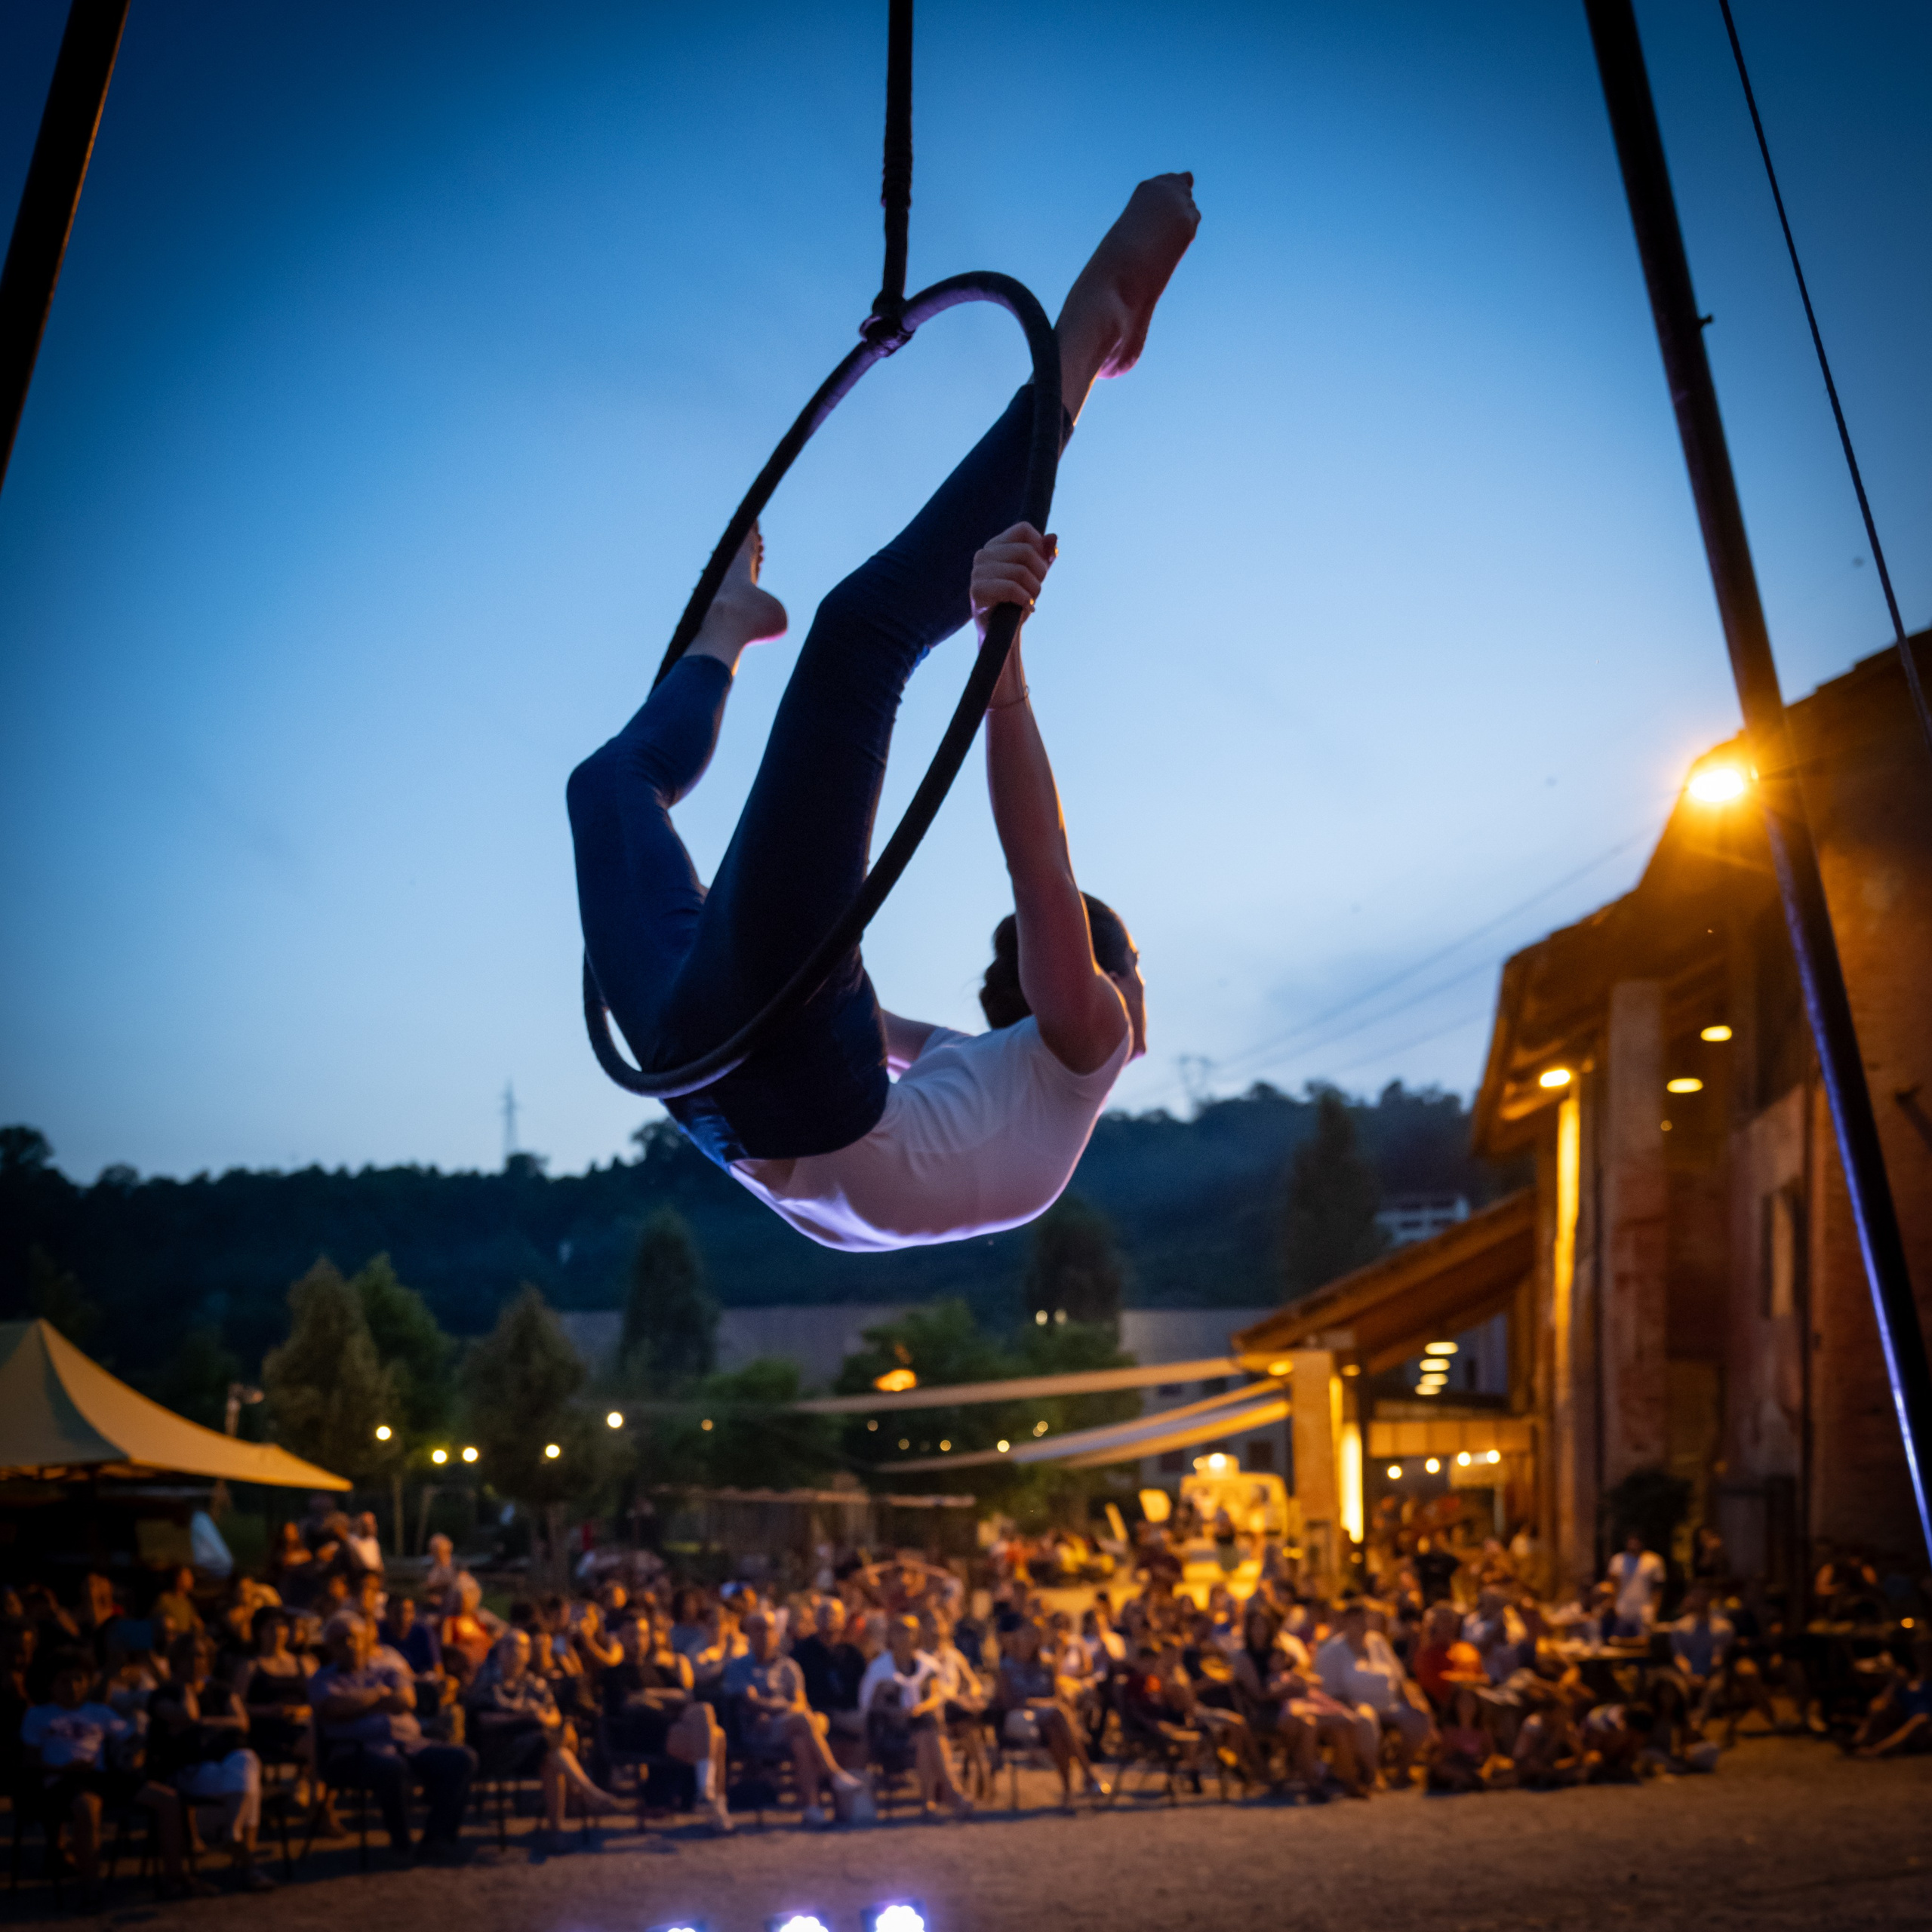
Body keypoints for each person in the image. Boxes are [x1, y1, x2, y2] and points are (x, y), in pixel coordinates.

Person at [565, 175, 1199, 1245]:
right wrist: (774, 872)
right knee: (608, 788)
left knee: (861, 637)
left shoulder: (1089, 1033)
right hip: (731, 1081)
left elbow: (1038, 861)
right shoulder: (993, 1067)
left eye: (1125, 972)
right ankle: (729, 628)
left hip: (737, 1077)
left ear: (1112, 979)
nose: (1137, 1001)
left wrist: (1003, 655)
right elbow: (883, 1006)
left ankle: (1091, 329)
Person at [20, 1649, 196, 1903]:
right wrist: (63, 1769)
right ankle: (91, 1888)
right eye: (64, 1681)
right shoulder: (39, 1715)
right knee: (87, 1806)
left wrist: (136, 1755)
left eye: (79, 1679)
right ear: (51, 1684)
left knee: (168, 1799)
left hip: (99, 1775)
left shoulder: (99, 1712)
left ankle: (176, 1877)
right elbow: (30, 1761)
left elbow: (132, 1739)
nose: (73, 1686)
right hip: (61, 1779)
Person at [309, 1611, 475, 1861]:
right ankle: (401, 1843)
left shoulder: (387, 1670)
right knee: (391, 1768)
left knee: (463, 1759)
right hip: (354, 1753)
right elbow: (333, 1708)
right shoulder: (323, 1678)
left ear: (367, 1640)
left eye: (354, 1638)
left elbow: (405, 1701)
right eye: (341, 1641)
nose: (350, 1645)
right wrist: (378, 1694)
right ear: (330, 1647)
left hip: (409, 1745)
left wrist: (357, 1704)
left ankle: (437, 1839)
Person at [468, 1629, 626, 1852]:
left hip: (535, 1749)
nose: (516, 1651)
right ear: (499, 1651)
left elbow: (554, 1716)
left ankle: (557, 1831)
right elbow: (482, 1719)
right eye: (510, 1645)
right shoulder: (487, 1681)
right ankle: (588, 1794)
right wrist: (524, 1716)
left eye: (522, 1646)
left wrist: (543, 1718)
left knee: (552, 1756)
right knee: (552, 1750)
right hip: (501, 1751)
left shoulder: (535, 1684)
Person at [148, 1632, 273, 1890]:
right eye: (188, 1656)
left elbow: (242, 1722)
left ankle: (233, 1833)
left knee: (247, 1759)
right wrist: (187, 1690)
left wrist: (203, 1724)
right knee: (250, 1788)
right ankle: (247, 1865)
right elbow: (188, 1716)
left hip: (226, 1763)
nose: (195, 1662)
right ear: (175, 1660)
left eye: (201, 1655)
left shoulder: (220, 1690)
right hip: (188, 1769)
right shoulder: (163, 1695)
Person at [721, 1611, 866, 1826]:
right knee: (805, 1721)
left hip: (787, 1726)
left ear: (776, 1634)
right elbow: (750, 1703)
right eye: (758, 1629)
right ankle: (834, 1773)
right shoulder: (738, 1667)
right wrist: (781, 1708)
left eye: (768, 1629)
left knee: (801, 1740)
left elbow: (800, 1703)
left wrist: (772, 1708)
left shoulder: (789, 1667)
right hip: (757, 1731)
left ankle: (812, 1808)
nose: (763, 1635)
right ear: (748, 1634)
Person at [602, 1610, 731, 1833]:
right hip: (642, 1735)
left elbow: (688, 1695)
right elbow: (629, 1704)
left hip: (673, 1728)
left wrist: (650, 1695)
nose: (639, 1640)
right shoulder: (614, 1674)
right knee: (717, 1738)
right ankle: (715, 1806)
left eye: (642, 1634)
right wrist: (663, 1699)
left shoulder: (659, 1669)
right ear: (620, 1638)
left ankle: (705, 1792)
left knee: (704, 1711)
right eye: (632, 1634)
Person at [857, 1615, 971, 1817]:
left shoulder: (928, 1665)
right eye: (899, 1630)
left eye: (908, 1631)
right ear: (890, 1636)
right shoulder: (879, 1668)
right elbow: (869, 1706)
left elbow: (937, 1696)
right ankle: (950, 1793)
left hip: (922, 1725)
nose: (904, 1636)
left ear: (916, 1635)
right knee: (929, 1733)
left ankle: (929, 1803)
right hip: (890, 1731)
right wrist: (895, 1711)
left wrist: (920, 1708)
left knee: (926, 1732)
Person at [1314, 1599, 1435, 1786]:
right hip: (1353, 1704)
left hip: (1388, 1704)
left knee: (1416, 1716)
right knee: (1366, 1719)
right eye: (1355, 1621)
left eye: (1363, 1620)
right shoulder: (1331, 1651)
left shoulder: (1377, 1642)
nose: (1360, 1625)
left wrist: (1412, 1701)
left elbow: (1398, 1675)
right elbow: (1329, 1691)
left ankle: (1404, 1771)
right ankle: (1372, 1773)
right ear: (1345, 1623)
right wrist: (1350, 1705)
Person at [995, 1616, 1109, 1807]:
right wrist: (1038, 1704)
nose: (1031, 1639)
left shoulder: (1047, 1664)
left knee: (1056, 1729)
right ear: (1018, 1637)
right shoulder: (1007, 1666)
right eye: (1027, 1634)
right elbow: (1007, 1701)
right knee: (1059, 1715)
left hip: (1049, 1717)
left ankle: (1068, 1792)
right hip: (1021, 1717)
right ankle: (1088, 1774)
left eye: (1035, 1635)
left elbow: (1056, 1696)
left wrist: (1045, 1705)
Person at [1606, 1531, 1666, 1637]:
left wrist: (1655, 1609)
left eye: (1636, 1541)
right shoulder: (1618, 1560)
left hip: (1645, 1610)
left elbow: (1658, 1589)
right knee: (1620, 1643)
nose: (1634, 1544)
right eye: (1631, 1541)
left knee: (1644, 1645)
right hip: (1622, 1609)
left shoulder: (1653, 1560)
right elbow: (1612, 1585)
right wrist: (1613, 1605)